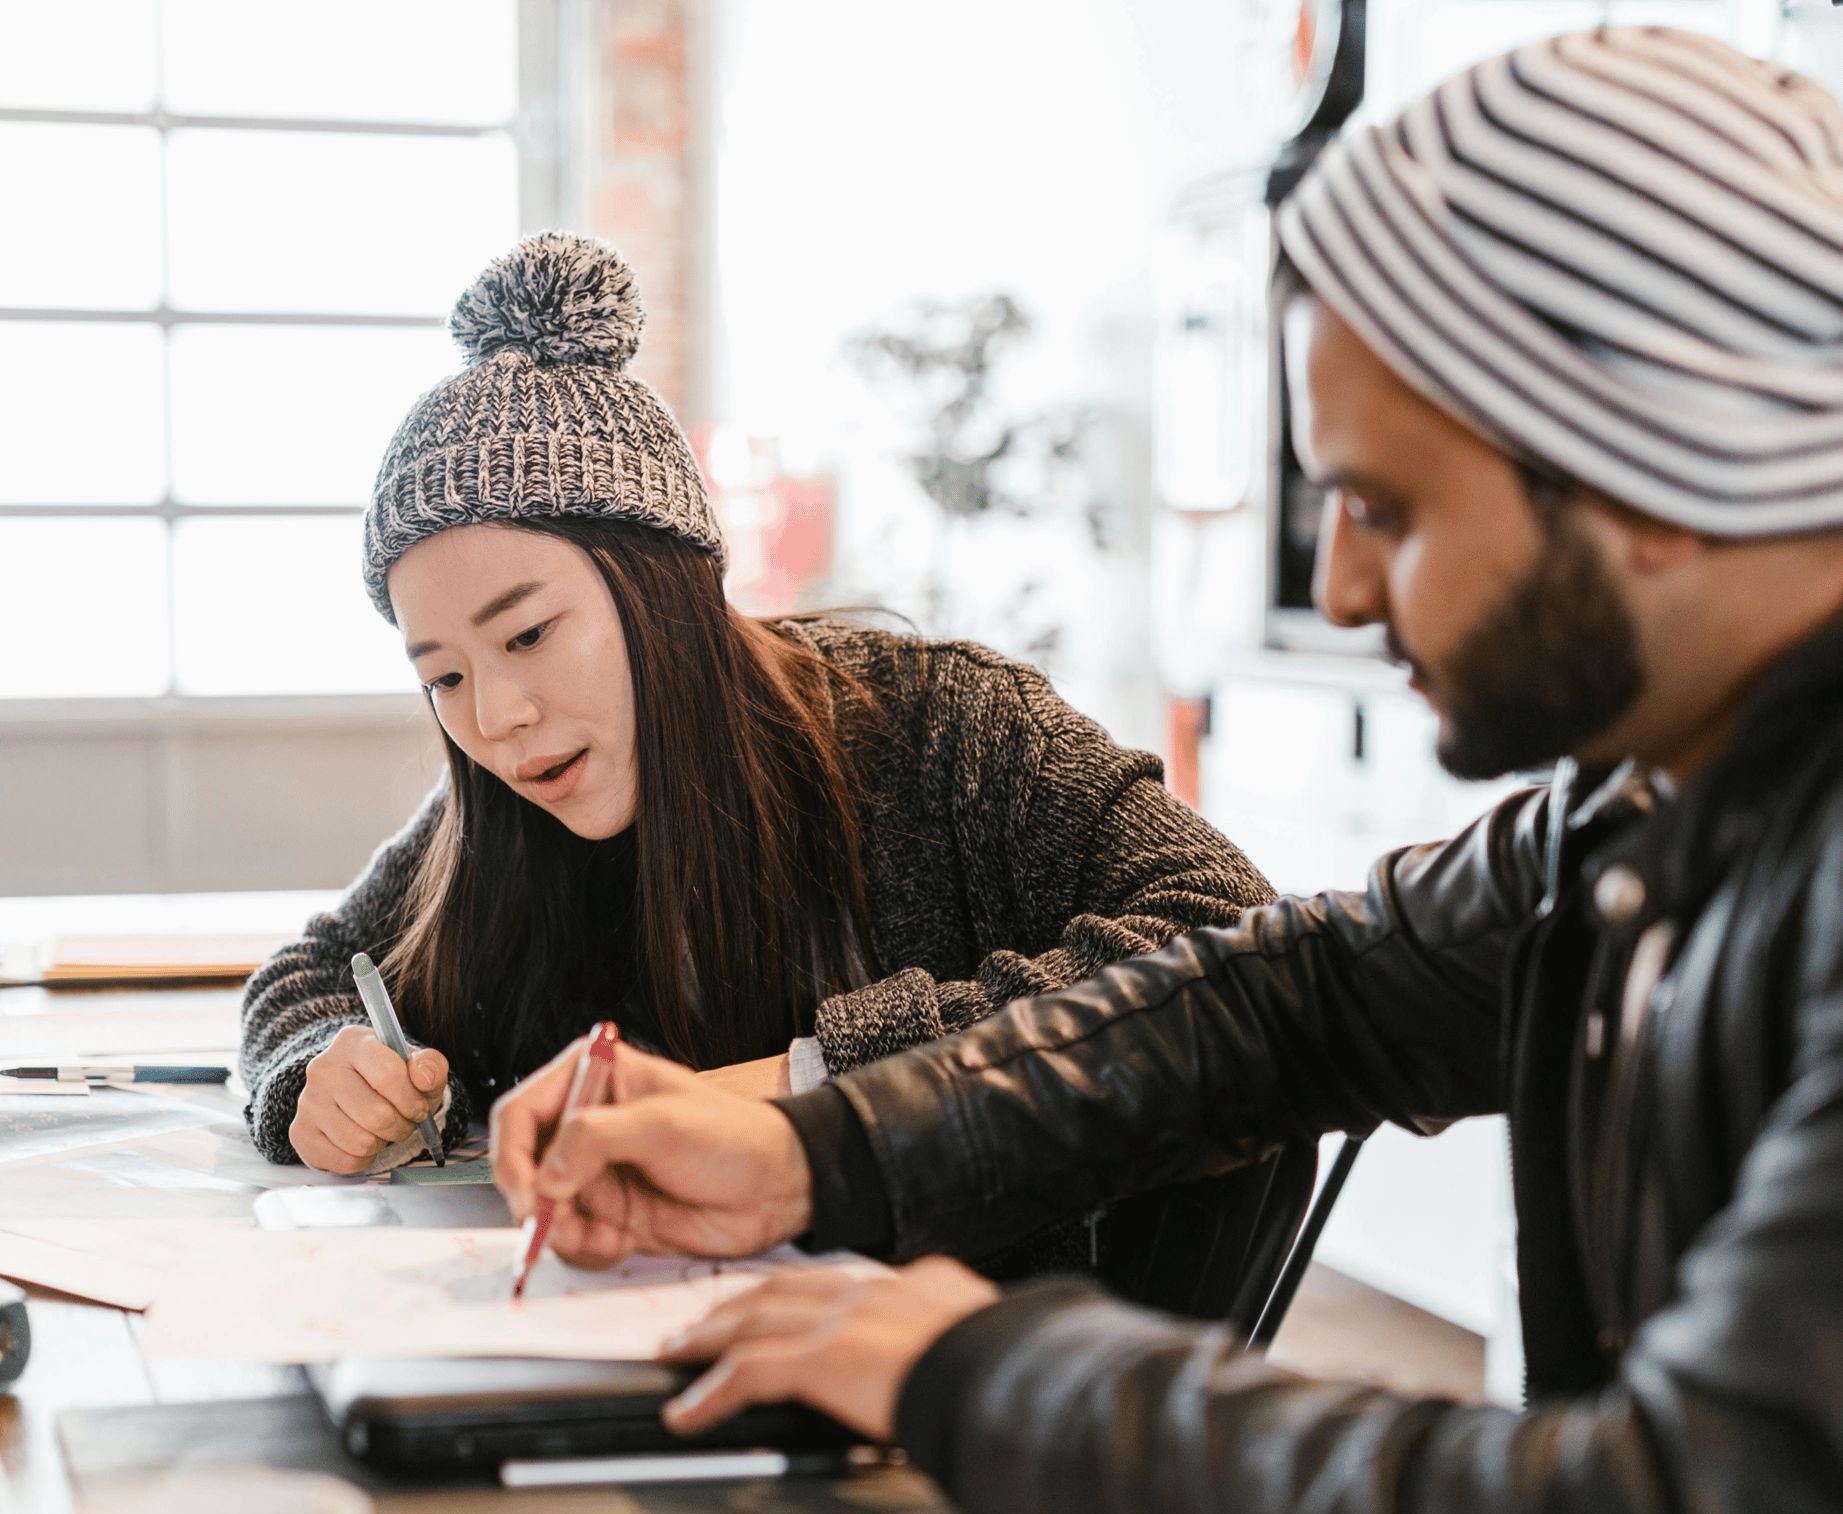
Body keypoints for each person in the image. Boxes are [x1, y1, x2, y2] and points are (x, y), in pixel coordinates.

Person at [491, 30, 1843, 1514]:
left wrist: (973, 1366)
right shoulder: (1638, 807)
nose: (1343, 585)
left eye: (1383, 506)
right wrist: (813, 1143)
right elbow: (1291, 993)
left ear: (1657, 472)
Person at [240, 232, 1276, 1295]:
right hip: (629, 1361)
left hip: (956, 1387)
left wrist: (802, 1086)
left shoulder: (943, 725)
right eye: (443, 678)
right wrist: (317, 1066)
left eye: (530, 635)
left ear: (662, 586)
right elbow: (310, 974)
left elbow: (1243, 940)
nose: (497, 715)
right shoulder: (506, 812)